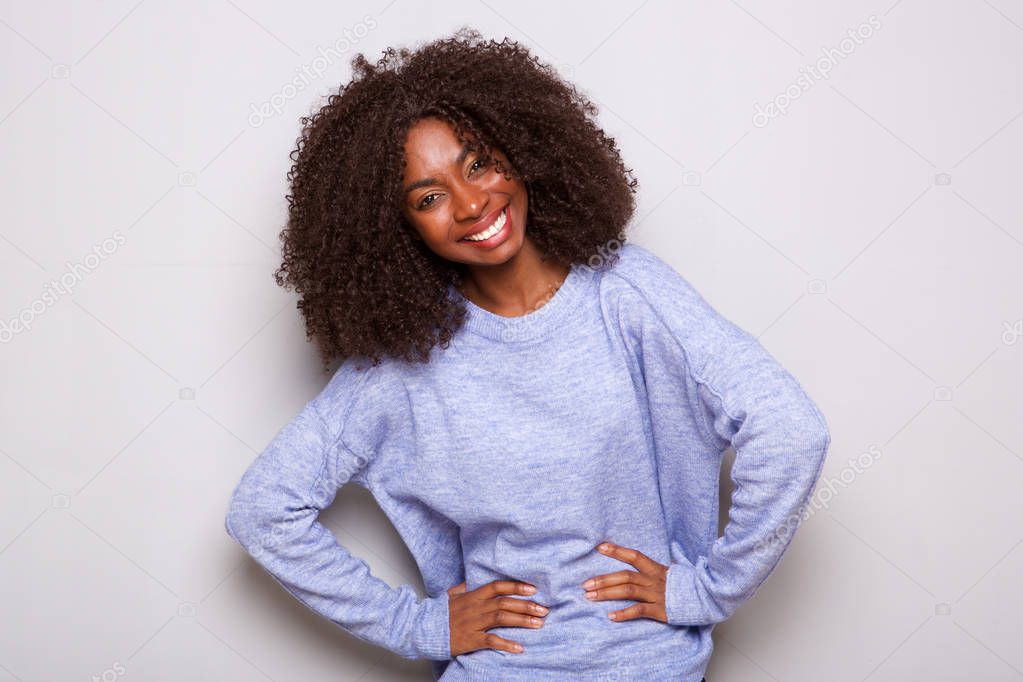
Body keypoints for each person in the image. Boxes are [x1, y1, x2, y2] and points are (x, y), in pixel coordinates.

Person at [224, 27, 830, 682]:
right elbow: (263, 511)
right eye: (428, 198)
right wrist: (418, 625)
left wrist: (707, 591)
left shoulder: (626, 294)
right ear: (394, 228)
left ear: (522, 150)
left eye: (477, 163)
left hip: (648, 667)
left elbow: (789, 428)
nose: (471, 202)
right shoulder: (398, 365)